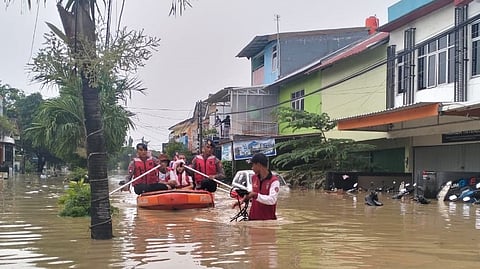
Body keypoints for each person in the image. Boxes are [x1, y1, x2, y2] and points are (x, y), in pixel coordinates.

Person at [233, 153, 280, 220]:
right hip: (252, 218)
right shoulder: (254, 178)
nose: (252, 168)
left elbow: (272, 200)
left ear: (258, 165)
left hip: (268, 221)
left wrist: (255, 195)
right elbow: (253, 193)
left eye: (253, 165)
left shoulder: (274, 181)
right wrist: (243, 200)